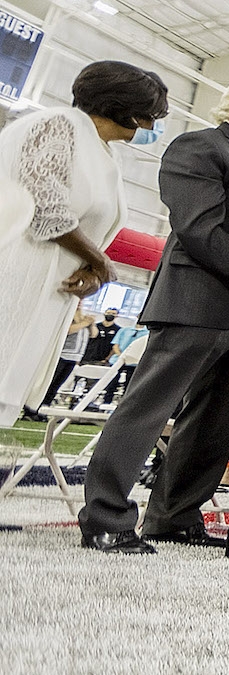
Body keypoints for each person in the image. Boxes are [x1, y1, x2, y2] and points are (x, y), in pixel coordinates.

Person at [80, 71, 229, 554]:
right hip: (197, 299)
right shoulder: (201, 147)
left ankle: (175, 516)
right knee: (149, 410)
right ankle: (105, 516)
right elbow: (199, 228)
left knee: (215, 420)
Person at [0, 62, 168, 432]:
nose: (154, 128)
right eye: (152, 116)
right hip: (16, 269)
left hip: (48, 283)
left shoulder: (103, 151)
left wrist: (93, 267)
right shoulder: (58, 124)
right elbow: (44, 205)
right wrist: (100, 262)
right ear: (126, 110)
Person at [27, 307, 94, 420]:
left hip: (74, 357)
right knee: (48, 383)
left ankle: (44, 409)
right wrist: (84, 323)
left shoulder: (84, 318)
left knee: (56, 385)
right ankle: (31, 410)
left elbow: (93, 334)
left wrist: (91, 324)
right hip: (62, 355)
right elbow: (68, 330)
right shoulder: (69, 316)